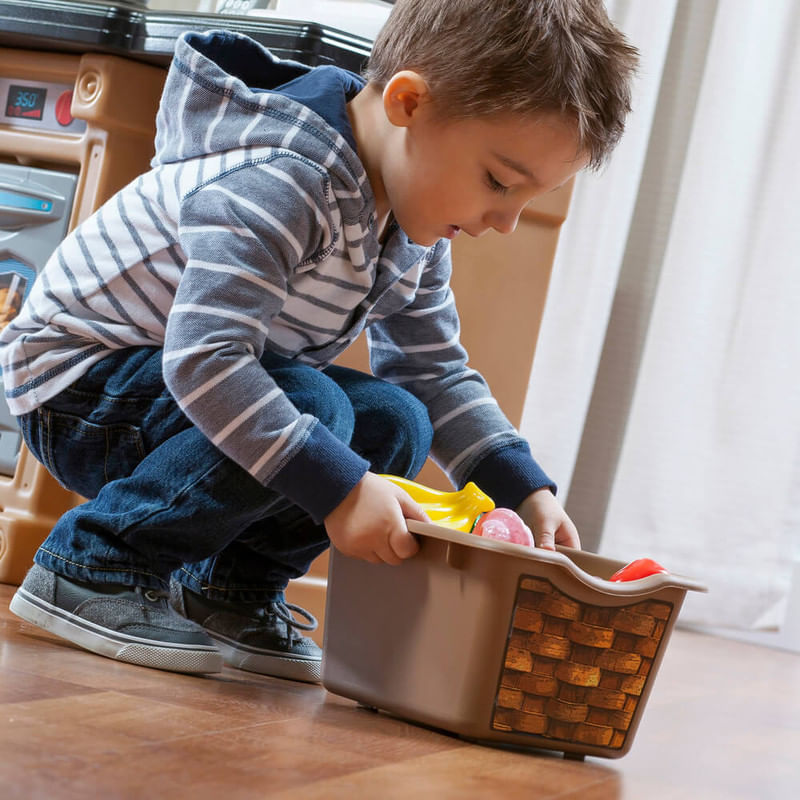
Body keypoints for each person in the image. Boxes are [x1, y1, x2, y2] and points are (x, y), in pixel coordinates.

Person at [0, 0, 638, 682]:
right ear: (409, 103)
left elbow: (435, 374)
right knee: (317, 412)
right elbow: (206, 360)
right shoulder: (282, 179)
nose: (507, 221)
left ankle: (230, 588)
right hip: (77, 393)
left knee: (396, 421)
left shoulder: (411, 231)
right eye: (499, 183)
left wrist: (522, 489)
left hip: (180, 392)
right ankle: (92, 565)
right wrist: (337, 493)